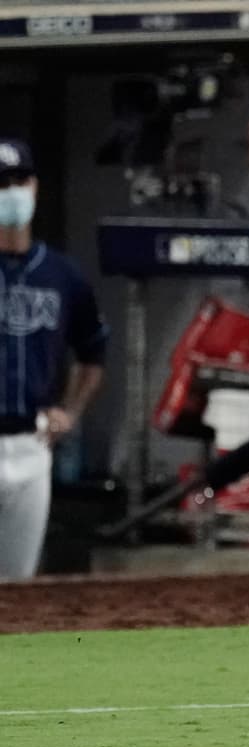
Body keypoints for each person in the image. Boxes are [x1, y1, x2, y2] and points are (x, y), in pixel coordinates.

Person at [0, 138, 108, 579]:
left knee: (19, 583)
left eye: (19, 180)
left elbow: (93, 350)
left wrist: (71, 410)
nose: (11, 191)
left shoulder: (62, 274)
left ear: (35, 186)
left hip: (32, 442)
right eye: (1, 182)